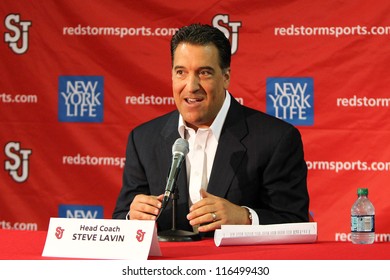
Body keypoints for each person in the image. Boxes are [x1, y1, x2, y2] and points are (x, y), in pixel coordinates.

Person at [112, 23, 310, 235]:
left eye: (204, 73)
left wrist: (245, 218)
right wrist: (131, 217)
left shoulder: (276, 139)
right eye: (181, 72)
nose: (191, 85)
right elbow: (122, 219)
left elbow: (296, 222)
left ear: (226, 77)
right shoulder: (143, 140)